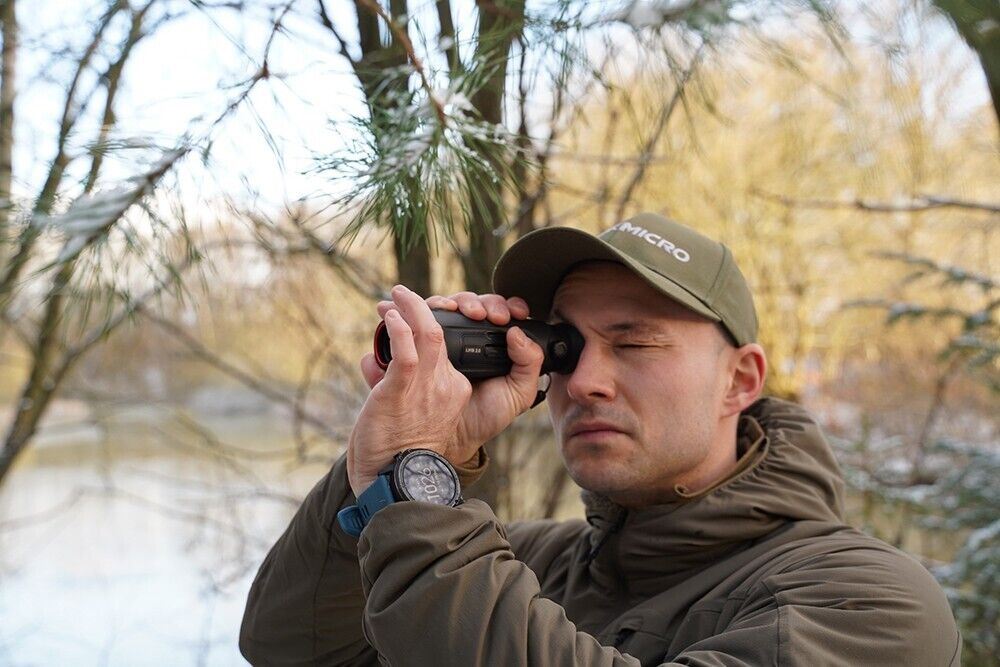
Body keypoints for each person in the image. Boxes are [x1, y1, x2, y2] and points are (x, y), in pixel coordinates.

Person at [239, 213, 960, 666]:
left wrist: (416, 490)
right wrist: (404, 466)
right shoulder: (524, 561)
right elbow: (293, 646)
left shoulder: (872, 604)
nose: (583, 382)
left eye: (634, 342)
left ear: (739, 380)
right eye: (567, 346)